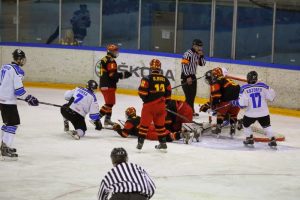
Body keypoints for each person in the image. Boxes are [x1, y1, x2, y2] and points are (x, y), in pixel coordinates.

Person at [0, 49, 39, 160]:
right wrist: (29, 98)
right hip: (9, 102)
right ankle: (5, 148)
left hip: (1, 100)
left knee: (7, 123)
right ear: (20, 59)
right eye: (23, 59)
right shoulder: (18, 71)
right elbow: (19, 91)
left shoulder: (4, 67)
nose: (23, 61)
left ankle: (3, 145)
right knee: (13, 124)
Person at [233, 71, 277, 148]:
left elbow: (243, 104)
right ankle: (272, 140)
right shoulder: (263, 86)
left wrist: (236, 103)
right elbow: (272, 96)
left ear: (247, 78)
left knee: (245, 124)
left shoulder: (243, 88)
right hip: (264, 112)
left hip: (251, 113)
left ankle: (249, 138)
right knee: (267, 126)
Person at [137, 59, 171, 150]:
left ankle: (140, 144)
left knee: (144, 126)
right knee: (160, 126)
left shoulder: (146, 78)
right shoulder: (165, 79)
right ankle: (163, 143)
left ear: (151, 68)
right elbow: (168, 96)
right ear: (159, 68)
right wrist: (165, 103)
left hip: (149, 106)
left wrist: (147, 99)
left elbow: (142, 93)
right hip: (161, 106)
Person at [98, 44, 132, 127]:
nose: (116, 52)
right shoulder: (111, 60)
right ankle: (96, 119)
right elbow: (112, 75)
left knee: (110, 103)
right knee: (109, 104)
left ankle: (107, 120)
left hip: (104, 84)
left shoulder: (104, 59)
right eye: (115, 51)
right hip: (108, 85)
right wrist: (122, 75)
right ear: (111, 51)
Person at [199, 67, 240, 137]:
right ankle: (233, 128)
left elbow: (216, 97)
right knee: (233, 114)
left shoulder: (215, 81)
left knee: (220, 112)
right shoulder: (227, 79)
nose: (209, 81)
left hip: (226, 100)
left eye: (209, 78)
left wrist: (210, 106)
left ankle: (218, 129)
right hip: (237, 101)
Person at [112, 106, 182, 142]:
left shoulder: (129, 122)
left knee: (165, 138)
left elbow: (124, 134)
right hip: (151, 126)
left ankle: (181, 135)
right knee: (165, 133)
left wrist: (118, 129)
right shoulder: (139, 117)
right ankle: (180, 134)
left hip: (146, 132)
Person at [181, 39, 206, 116]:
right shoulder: (188, 54)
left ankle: (190, 111)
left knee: (192, 96)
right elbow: (183, 65)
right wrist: (188, 76)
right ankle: (186, 112)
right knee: (188, 96)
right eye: (199, 47)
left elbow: (203, 64)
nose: (200, 48)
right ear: (194, 46)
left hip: (193, 76)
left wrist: (201, 56)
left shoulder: (197, 54)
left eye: (201, 47)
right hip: (186, 76)